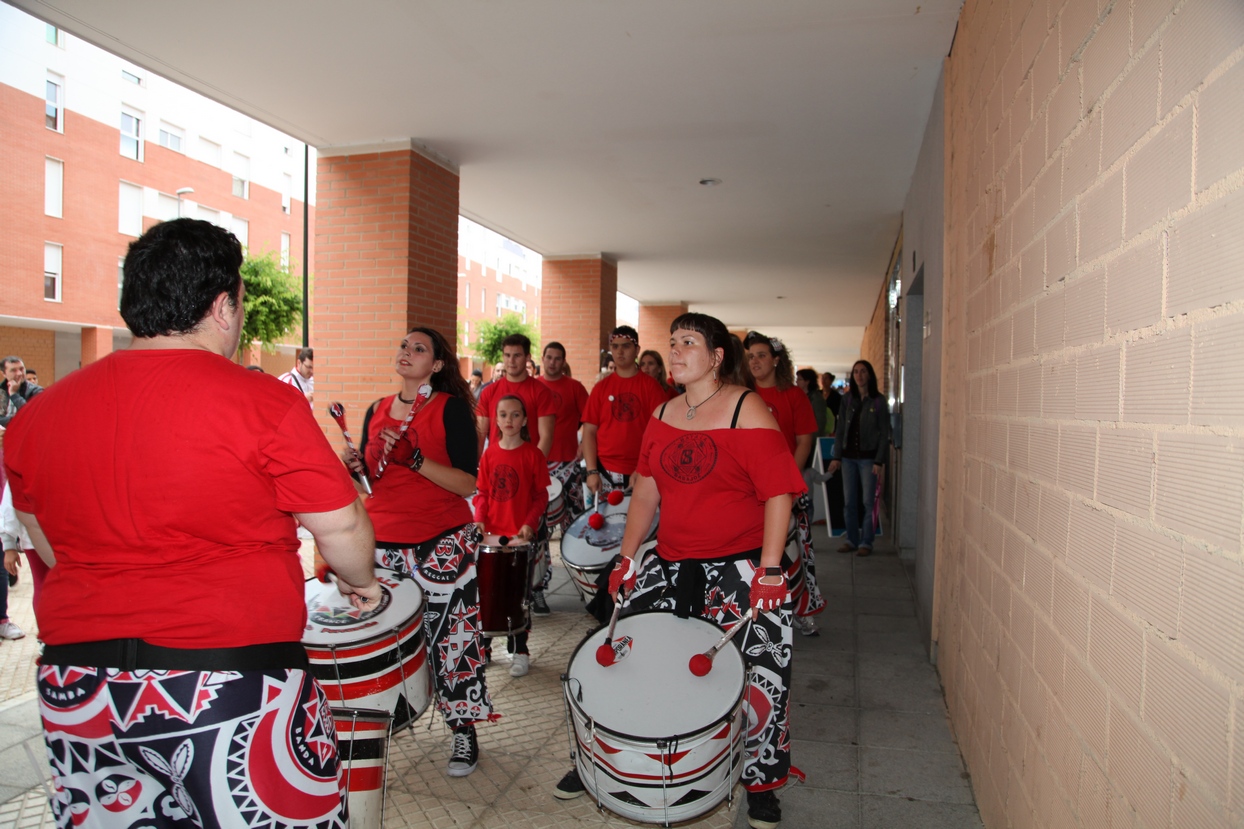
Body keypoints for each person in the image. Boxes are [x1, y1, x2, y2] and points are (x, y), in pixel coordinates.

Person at [4, 218, 378, 828]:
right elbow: (341, 527)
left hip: (83, 683)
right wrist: (362, 580)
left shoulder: (38, 415)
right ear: (223, 306)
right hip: (228, 679)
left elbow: (44, 539)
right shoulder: (264, 402)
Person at [554, 313, 804, 829]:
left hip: (740, 566)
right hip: (670, 563)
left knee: (761, 676)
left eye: (688, 342)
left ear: (716, 357)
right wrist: (626, 558)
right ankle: (603, 760)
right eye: (672, 342)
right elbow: (646, 488)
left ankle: (760, 781)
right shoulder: (664, 412)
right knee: (632, 657)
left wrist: (772, 569)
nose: (675, 350)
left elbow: (779, 489)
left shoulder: (746, 407)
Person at [343, 325, 495, 776]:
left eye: (419, 348)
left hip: (440, 544)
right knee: (382, 645)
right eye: (404, 345)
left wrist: (415, 459)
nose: (406, 352)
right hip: (383, 544)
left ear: (438, 365)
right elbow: (369, 486)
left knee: (453, 641)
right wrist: (354, 469)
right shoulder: (376, 409)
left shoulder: (449, 410)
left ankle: (463, 730)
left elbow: (468, 483)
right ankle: (378, 727)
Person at [745, 333, 825, 635]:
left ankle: (799, 611)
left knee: (792, 552)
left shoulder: (793, 396)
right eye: (751, 356)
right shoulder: (741, 393)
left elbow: (804, 441)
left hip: (784, 488)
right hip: (749, 491)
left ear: (776, 360)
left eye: (762, 355)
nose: (755, 361)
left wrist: (787, 484)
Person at [477, 334, 556, 613]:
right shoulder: (488, 392)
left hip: (527, 470)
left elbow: (545, 436)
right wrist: (478, 468)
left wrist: (528, 469)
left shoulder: (541, 392)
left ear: (527, 357)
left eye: (518, 355)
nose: (512, 361)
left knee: (537, 537)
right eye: (507, 355)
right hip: (498, 470)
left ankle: (536, 590)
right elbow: (481, 432)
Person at [473, 395, 550, 677]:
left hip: (519, 540)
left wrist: (530, 524)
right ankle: (484, 648)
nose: (509, 420)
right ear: (496, 420)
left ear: (525, 420)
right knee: (488, 594)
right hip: (491, 538)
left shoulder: (532, 455)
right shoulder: (490, 453)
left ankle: (520, 650)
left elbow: (540, 496)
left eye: (515, 415)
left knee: (519, 596)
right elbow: (482, 493)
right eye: (503, 415)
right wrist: (479, 520)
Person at [581, 326, 669, 498]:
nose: (620, 351)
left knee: (642, 525)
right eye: (615, 346)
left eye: (626, 346)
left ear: (637, 350)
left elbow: (660, 434)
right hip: (603, 473)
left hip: (642, 473)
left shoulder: (652, 388)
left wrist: (643, 468)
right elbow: (589, 432)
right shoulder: (600, 388)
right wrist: (592, 471)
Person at [827, 360, 891, 555]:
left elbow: (884, 433)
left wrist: (879, 461)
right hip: (847, 459)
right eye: (856, 372)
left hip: (868, 459)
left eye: (863, 371)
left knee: (868, 502)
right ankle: (851, 539)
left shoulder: (878, 401)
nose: (859, 375)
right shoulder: (847, 400)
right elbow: (840, 431)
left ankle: (866, 542)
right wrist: (837, 456)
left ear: (869, 375)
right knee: (849, 502)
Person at [538, 341, 589, 534]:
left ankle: (575, 561)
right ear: (542, 359)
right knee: (538, 518)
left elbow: (592, 421)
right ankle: (542, 563)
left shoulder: (575, 387)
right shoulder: (534, 385)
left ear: (563, 361)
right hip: (539, 461)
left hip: (569, 462)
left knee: (575, 517)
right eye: (549, 358)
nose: (552, 362)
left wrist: (584, 444)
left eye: (557, 358)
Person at [3, 482, 45, 624]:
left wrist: (9, 546)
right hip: (35, 537)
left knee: (43, 585)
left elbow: (8, 508)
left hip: (36, 536)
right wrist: (9, 547)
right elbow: (9, 506)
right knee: (43, 584)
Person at [0, 357, 43, 427]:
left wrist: (14, 394)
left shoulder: (36, 391)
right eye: (13, 370)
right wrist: (18, 420)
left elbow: (32, 416)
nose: (19, 373)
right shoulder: (1, 390)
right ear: (4, 374)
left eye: (21, 369)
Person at [796, 368, 829, 437]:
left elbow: (819, 422)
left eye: (799, 379)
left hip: (811, 439)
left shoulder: (816, 398)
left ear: (807, 381)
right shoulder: (800, 396)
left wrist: (811, 440)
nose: (796, 381)